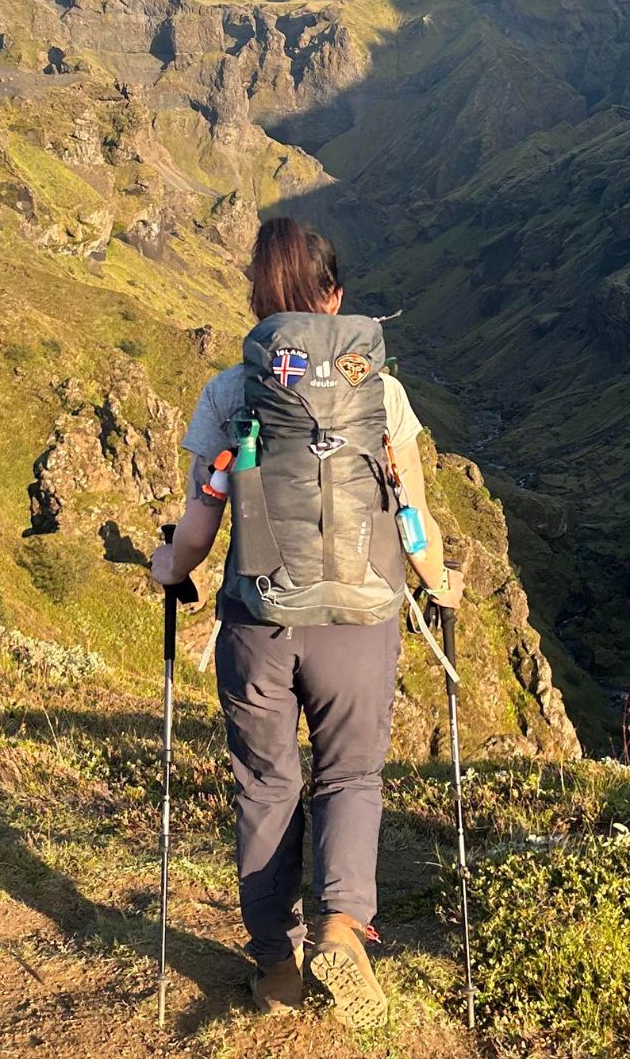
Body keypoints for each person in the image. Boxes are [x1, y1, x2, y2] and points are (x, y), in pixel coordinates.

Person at [149, 216, 464, 1028]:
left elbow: (200, 523)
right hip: (359, 624)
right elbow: (414, 517)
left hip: (259, 621)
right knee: (350, 777)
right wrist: (441, 581)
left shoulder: (231, 392)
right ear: (336, 298)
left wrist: (167, 570)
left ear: (259, 301)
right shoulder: (380, 394)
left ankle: (275, 966)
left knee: (266, 782)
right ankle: (341, 924)